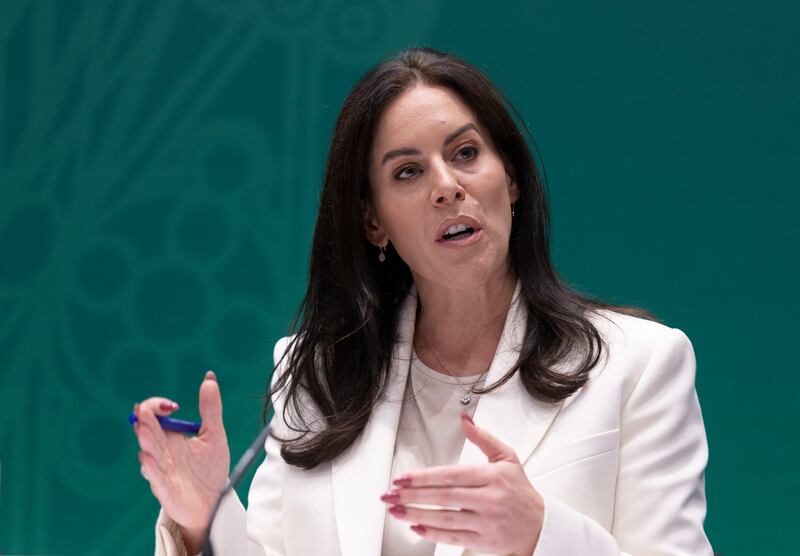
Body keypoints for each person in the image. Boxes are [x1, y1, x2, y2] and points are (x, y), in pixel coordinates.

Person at [133, 47, 713, 556]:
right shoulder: (317, 372)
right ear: (373, 222)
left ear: (510, 179)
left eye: (465, 153)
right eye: (408, 172)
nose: (446, 185)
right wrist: (201, 513)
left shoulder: (637, 365)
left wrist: (540, 534)